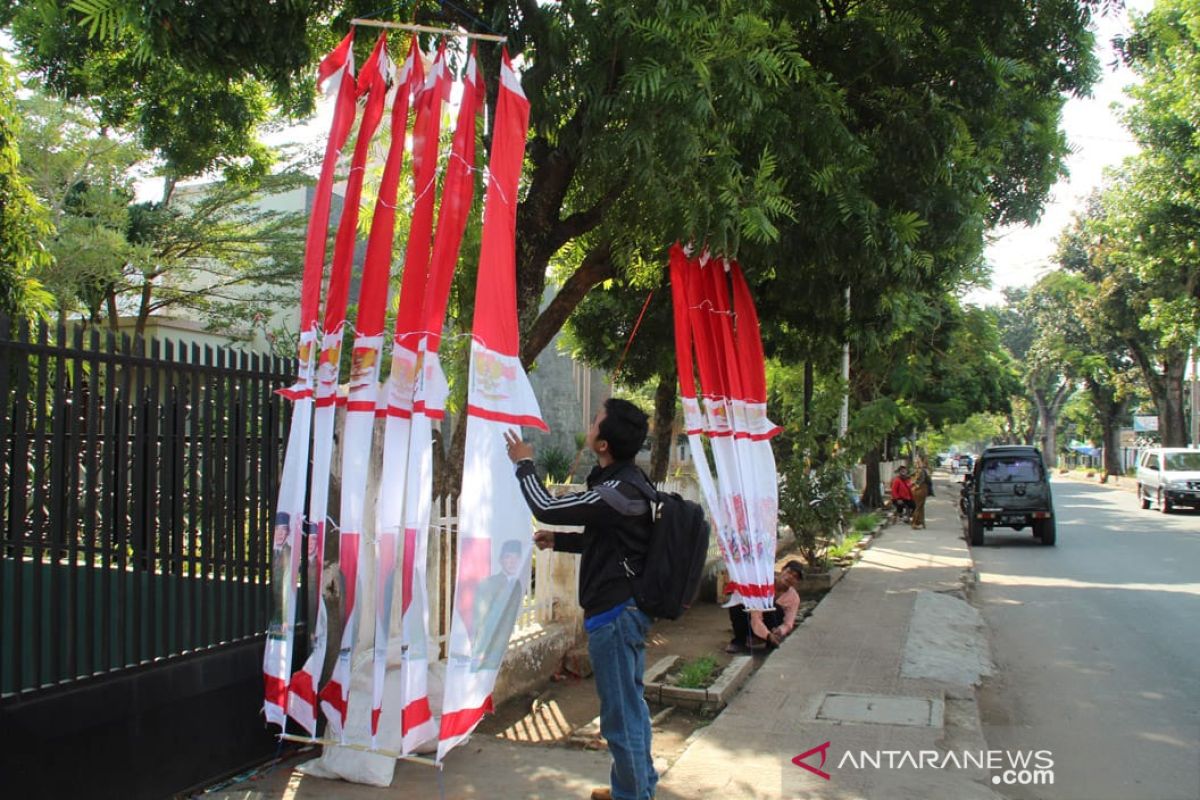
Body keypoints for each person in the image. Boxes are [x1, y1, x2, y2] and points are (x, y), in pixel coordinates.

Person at [505, 398, 656, 800]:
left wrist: (524, 464)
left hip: (616, 615)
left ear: (604, 443)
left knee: (620, 718)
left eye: (595, 422)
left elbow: (547, 506)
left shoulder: (618, 492)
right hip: (623, 611)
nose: (590, 425)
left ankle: (632, 794)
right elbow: (607, 541)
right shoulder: (625, 485)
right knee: (631, 708)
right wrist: (560, 540)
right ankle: (635, 786)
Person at [469, 538, 527, 671]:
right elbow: (480, 619)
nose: (512, 562)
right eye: (508, 557)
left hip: (505, 641)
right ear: (501, 560)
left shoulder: (517, 586)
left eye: (516, 558)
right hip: (487, 644)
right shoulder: (489, 584)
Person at [725, 561, 804, 653]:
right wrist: (767, 634)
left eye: (795, 577)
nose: (791, 577)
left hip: (771, 626)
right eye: (789, 572)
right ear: (782, 570)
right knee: (737, 602)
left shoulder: (794, 597)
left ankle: (771, 641)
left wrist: (780, 630)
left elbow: (788, 623)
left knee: (776, 608)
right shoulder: (762, 584)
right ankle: (739, 641)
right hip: (753, 621)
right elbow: (756, 617)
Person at [910, 458, 930, 529]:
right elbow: (925, 480)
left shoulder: (914, 471)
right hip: (921, 489)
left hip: (915, 489)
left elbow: (911, 478)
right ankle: (914, 523)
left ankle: (921, 522)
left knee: (920, 506)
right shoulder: (922, 471)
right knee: (919, 507)